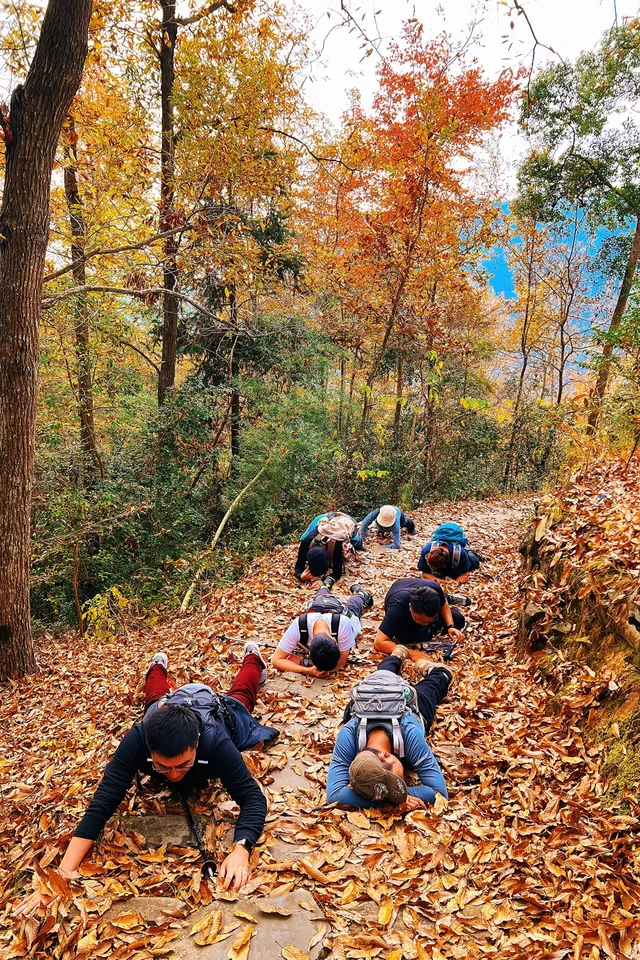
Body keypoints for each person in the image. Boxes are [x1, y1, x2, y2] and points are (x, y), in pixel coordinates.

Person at [12, 642, 277, 917]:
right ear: (148, 748)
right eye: (163, 767)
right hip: (164, 710)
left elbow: (252, 798)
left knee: (241, 697)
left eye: (183, 765)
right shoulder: (138, 738)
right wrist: (63, 874)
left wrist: (241, 849)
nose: (174, 776)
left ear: (197, 743)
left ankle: (253, 659)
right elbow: (104, 800)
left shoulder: (216, 740)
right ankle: (157, 666)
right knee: (154, 698)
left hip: (212, 707)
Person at [326, 646, 450, 810]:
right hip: (376, 700)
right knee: (383, 675)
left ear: (385, 756)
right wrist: (396, 799)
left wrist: (393, 797)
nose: (394, 791)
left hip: (403, 706)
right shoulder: (347, 736)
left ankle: (424, 666)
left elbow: (439, 793)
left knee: (440, 679)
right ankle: (395, 658)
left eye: (395, 784)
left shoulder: (410, 734)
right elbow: (334, 795)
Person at [272, 583, 373, 678]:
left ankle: (359, 594)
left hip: (341, 614)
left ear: (334, 640)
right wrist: (306, 670)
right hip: (319, 605)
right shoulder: (299, 625)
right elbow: (276, 660)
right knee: (320, 599)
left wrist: (307, 663)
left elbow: (342, 660)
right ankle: (326, 585)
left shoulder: (343, 624)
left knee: (353, 608)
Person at [373, 577, 465, 662]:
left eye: (428, 621)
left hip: (423, 589)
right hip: (401, 596)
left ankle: (449, 597)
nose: (424, 623)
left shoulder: (435, 589)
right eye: (420, 620)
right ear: (410, 608)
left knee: (459, 619)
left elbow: (444, 604)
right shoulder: (397, 607)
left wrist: (450, 626)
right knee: (409, 638)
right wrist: (411, 653)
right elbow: (379, 642)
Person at [294, 511, 358, 583]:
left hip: (347, 521)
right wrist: (300, 576)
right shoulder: (306, 542)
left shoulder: (336, 546)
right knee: (303, 538)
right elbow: (298, 566)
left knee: (357, 543)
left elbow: (337, 573)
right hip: (321, 520)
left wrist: (323, 580)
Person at [417, 522, 482, 583]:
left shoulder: (460, 554)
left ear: (445, 565)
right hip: (443, 541)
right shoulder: (427, 550)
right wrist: (439, 581)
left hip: (459, 546)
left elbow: (464, 575)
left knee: (474, 563)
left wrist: (457, 582)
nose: (428, 565)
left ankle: (473, 553)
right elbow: (425, 574)